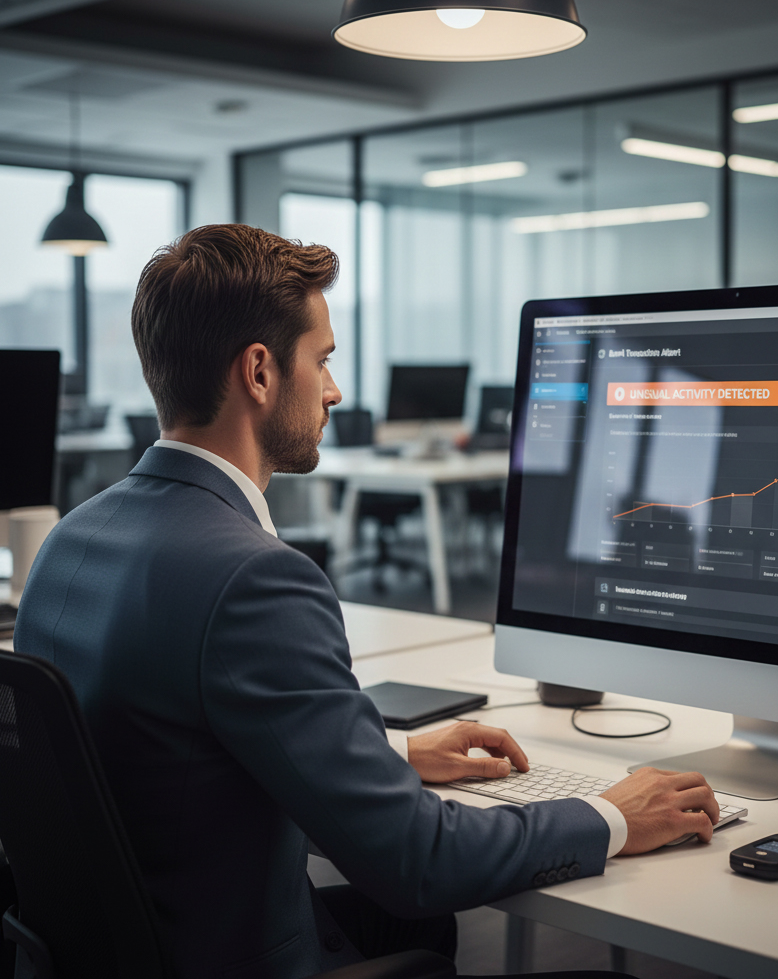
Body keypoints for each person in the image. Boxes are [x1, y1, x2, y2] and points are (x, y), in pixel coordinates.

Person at [14, 224, 719, 979]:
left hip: (128, 947)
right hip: (234, 957)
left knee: (407, 932)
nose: (335, 389)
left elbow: (167, 736)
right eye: (321, 360)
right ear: (259, 372)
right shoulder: (254, 577)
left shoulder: (70, 539)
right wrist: (612, 814)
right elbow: (420, 862)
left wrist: (395, 752)